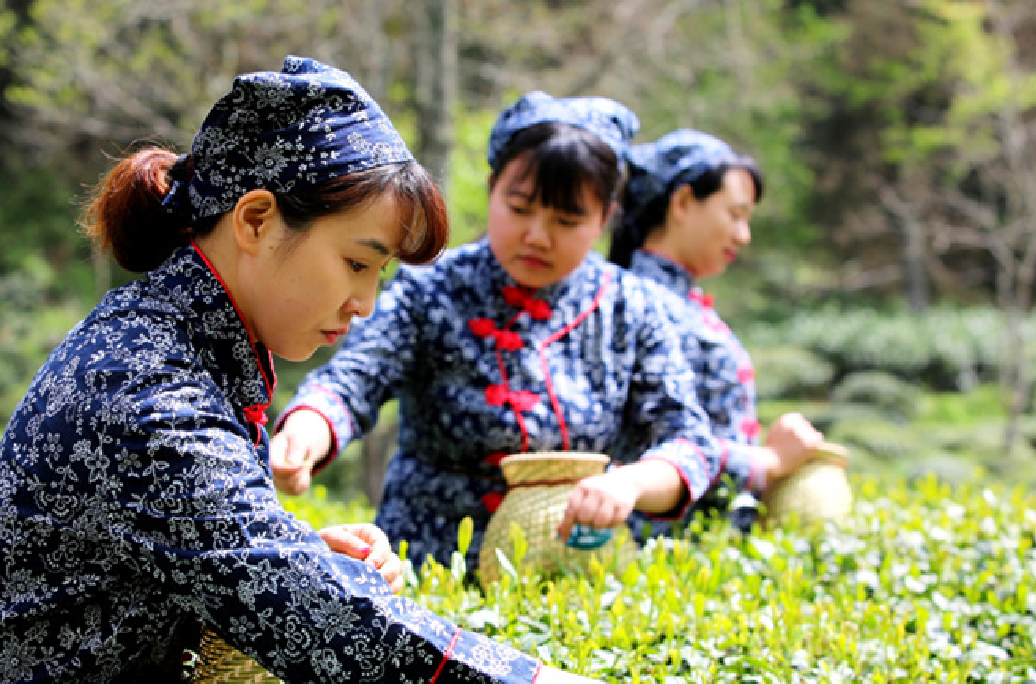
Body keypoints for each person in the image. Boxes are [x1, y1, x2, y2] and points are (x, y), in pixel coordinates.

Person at [0, 58, 645, 684]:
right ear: (256, 219)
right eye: (357, 263)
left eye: (378, 274)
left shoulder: (187, 340)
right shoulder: (146, 388)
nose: (364, 303)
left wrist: (283, 551)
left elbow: (154, 565)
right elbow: (325, 625)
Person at [271, 90, 720, 574]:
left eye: (567, 220)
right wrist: (306, 430)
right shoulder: (431, 288)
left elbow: (690, 442)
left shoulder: (632, 307)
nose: (537, 236)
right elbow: (353, 380)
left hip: (576, 573)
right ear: (492, 190)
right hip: (430, 570)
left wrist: (628, 484)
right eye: (520, 208)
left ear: (605, 219)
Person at [608, 128, 825, 535]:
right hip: (664, 547)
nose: (743, 235)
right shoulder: (641, 303)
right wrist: (769, 463)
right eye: (735, 214)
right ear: (684, 202)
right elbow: (651, 444)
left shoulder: (671, 300)